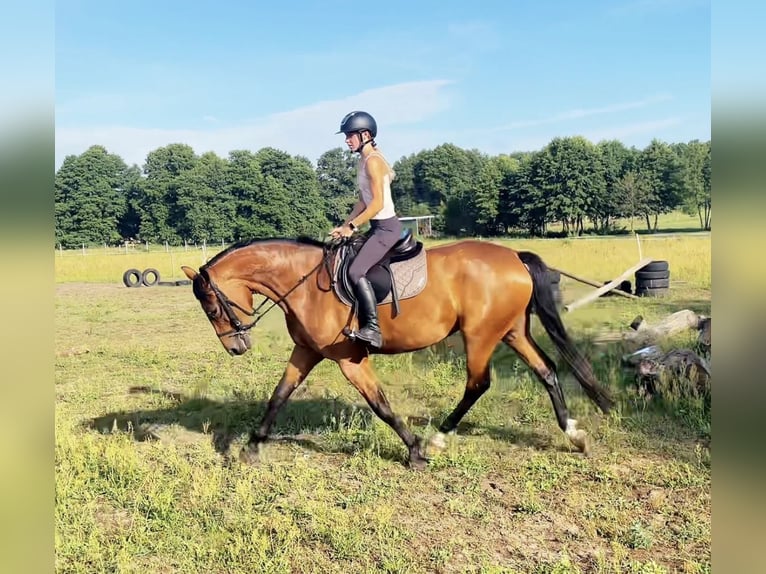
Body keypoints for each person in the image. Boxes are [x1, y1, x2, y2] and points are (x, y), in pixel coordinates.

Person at [330, 110, 402, 349]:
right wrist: (344, 226)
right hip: (375, 226)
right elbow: (362, 201)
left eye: (350, 135)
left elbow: (377, 204)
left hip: (386, 229)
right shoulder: (363, 161)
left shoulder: (374, 162)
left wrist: (353, 226)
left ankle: (372, 329)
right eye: (347, 135)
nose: (347, 140)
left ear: (366, 135)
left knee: (354, 271)